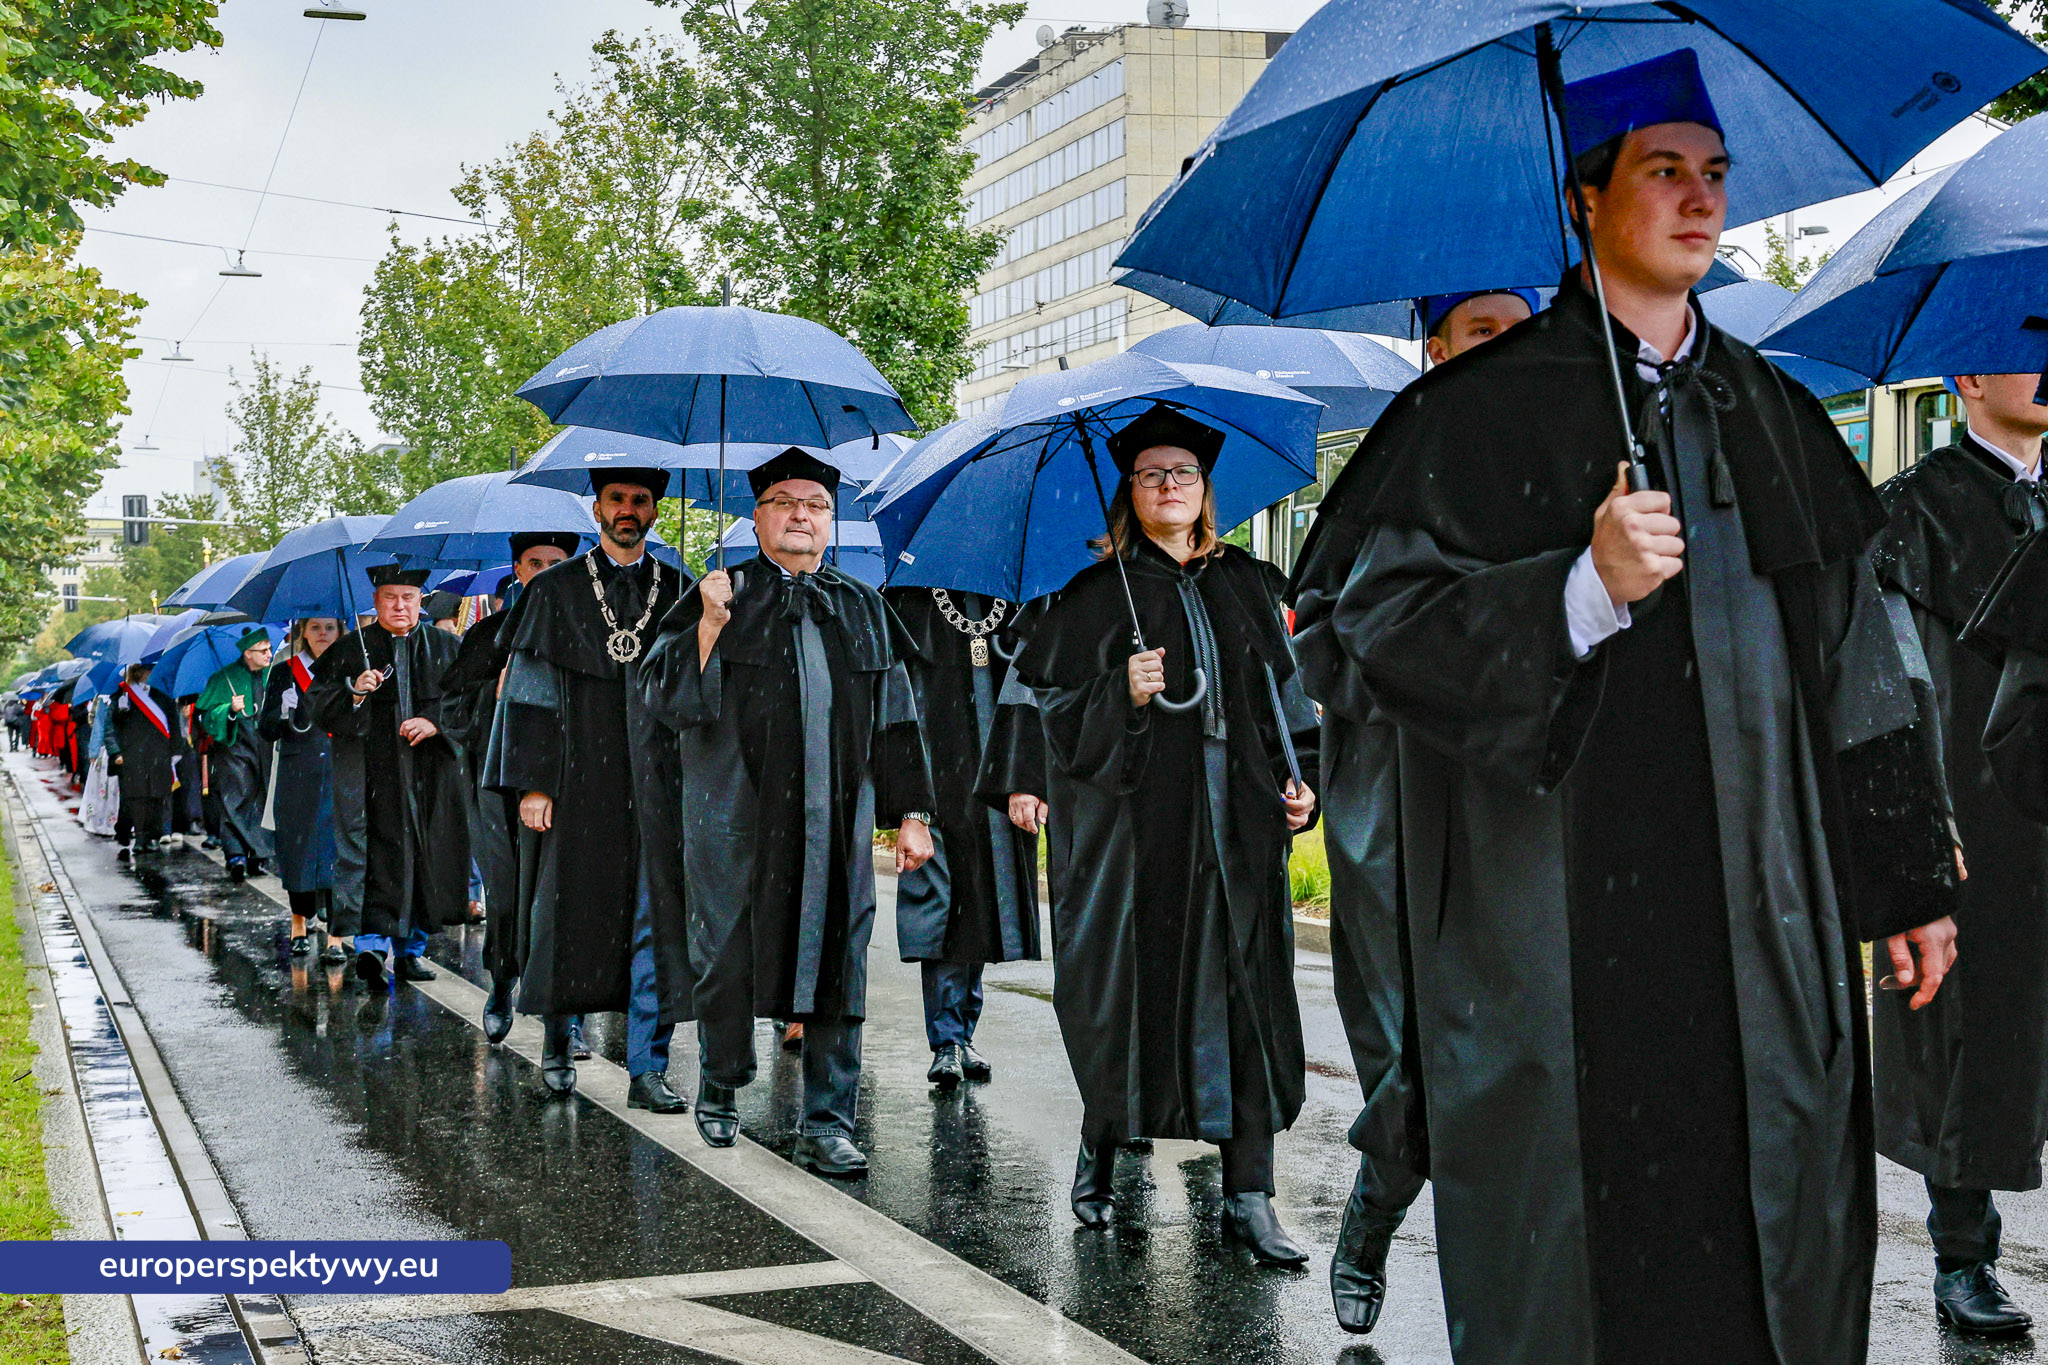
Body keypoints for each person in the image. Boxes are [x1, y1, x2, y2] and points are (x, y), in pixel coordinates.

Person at [1287, 50, 1961, 1364]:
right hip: (1557, 943)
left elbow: (1866, 659)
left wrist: (1910, 876)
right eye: (1665, 172)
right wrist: (1576, 590)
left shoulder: (1773, 413)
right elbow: (1377, 628)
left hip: (1758, 931)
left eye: (1715, 174)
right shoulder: (1471, 415)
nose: (1702, 200)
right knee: (1579, 1282)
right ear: (1584, 198)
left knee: (1764, 1252)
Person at [1014, 407, 1320, 1263]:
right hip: (1142, 836)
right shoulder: (1092, 596)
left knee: (1247, 1001)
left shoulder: (1251, 583)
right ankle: (1102, 1146)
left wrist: (1305, 788)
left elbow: (1291, 707)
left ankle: (1249, 1194)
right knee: (1132, 998)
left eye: (1183, 473)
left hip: (1243, 834)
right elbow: (1053, 716)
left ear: (1204, 488)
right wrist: (1123, 691)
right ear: (1132, 491)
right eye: (1152, 475)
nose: (1170, 486)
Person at [1291, 284, 1539, 1333]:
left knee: (1528, 1041)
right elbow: (1314, 630)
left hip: (1524, 790)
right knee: (1410, 1036)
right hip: (1400, 786)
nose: (1506, 349)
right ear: (1433, 348)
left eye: (1521, 329)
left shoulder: (1581, 462)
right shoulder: (1393, 465)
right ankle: (1377, 1201)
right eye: (1481, 330)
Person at [644, 446, 934, 1176]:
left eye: (815, 504)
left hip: (835, 820)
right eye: (784, 502)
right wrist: (709, 627)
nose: (801, 515)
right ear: (757, 515)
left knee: (841, 957)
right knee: (731, 948)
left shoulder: (862, 604)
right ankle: (721, 1081)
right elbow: (660, 695)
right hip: (739, 813)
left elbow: (897, 716)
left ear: (831, 520)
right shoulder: (720, 592)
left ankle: (828, 1119)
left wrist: (912, 812)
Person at [1870, 368, 2048, 1336]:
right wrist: (1906, 826)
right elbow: (1891, 683)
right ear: (1967, 378)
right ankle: (1961, 1255)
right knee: (1962, 1035)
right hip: (1967, 819)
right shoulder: (1907, 514)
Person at [486, 473, 690, 1106]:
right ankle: (557, 1040)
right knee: (568, 913)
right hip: (576, 779)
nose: (628, 511)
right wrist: (534, 783)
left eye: (640, 501)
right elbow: (532, 690)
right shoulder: (554, 590)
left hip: (658, 783)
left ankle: (647, 1067)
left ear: (655, 510)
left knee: (653, 919)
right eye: (617, 501)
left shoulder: (682, 591)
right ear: (597, 508)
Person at [884, 586, 1043, 1088]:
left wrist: (1027, 776)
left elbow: (1036, 686)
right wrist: (909, 798)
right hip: (933, 777)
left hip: (996, 780)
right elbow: (898, 698)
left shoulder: (1015, 596)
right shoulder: (907, 601)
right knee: (941, 909)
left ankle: (963, 1033)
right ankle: (947, 1039)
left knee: (981, 907)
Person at [440, 530, 577, 1045]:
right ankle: (501, 981)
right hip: (496, 785)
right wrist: (493, 696)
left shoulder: (584, 631)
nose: (543, 571)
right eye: (534, 561)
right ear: (517, 569)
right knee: (505, 893)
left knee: (562, 897)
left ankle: (566, 1019)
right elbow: (453, 712)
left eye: (555, 562)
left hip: (565, 784)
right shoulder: (487, 635)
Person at [306, 566, 471, 988]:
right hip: (369, 778)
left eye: (408, 597)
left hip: (429, 775)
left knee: (423, 857)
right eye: (390, 597)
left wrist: (435, 723)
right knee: (370, 858)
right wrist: (354, 691)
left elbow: (471, 704)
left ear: (421, 600)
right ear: (376, 601)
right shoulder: (348, 650)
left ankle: (411, 951)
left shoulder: (447, 648)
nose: (400, 606)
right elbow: (317, 705)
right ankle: (370, 947)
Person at [260, 618, 343, 963]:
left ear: (340, 632)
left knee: (339, 852)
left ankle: (336, 936)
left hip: (339, 771)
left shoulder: (349, 668)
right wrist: (282, 711)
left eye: (330, 628)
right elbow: (265, 729)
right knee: (299, 851)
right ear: (303, 633)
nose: (323, 634)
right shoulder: (283, 672)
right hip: (297, 773)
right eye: (315, 628)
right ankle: (298, 924)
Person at [196, 628, 276, 881]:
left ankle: (257, 855)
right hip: (234, 747)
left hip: (264, 746)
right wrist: (228, 710)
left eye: (269, 649)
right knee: (235, 798)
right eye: (263, 651)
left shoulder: (273, 675)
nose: (269, 654)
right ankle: (235, 855)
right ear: (247, 654)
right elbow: (206, 716)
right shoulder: (223, 678)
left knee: (261, 800)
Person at [104, 662, 183, 862]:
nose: (149, 674)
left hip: (158, 755)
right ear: (137, 672)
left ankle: (151, 835)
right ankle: (139, 837)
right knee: (137, 798)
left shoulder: (163, 696)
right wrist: (116, 753)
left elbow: (173, 724)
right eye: (146, 670)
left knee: (156, 796)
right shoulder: (122, 696)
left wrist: (175, 751)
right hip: (132, 756)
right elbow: (110, 728)